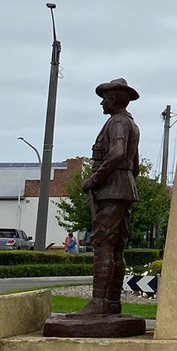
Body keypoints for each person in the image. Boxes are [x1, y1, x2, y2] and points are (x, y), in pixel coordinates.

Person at [72, 77, 141, 317]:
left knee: (103, 245)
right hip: (123, 189)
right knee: (117, 248)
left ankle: (99, 302)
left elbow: (118, 154)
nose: (102, 102)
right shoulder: (130, 124)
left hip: (111, 191)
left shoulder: (118, 123)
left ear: (115, 99)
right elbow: (136, 166)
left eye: (105, 98)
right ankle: (112, 303)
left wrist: (95, 180)